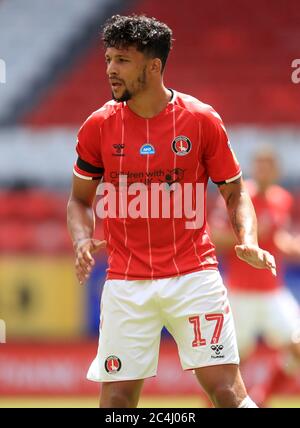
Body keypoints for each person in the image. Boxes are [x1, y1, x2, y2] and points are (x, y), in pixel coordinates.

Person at [67, 14, 276, 408]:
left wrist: (247, 240)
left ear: (154, 65)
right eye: (108, 59)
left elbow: (235, 192)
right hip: (126, 282)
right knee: (116, 401)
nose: (111, 69)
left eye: (122, 61)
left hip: (193, 276)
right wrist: (81, 238)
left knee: (228, 393)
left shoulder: (201, 120)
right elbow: (79, 199)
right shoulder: (97, 126)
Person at [210, 148, 300, 405]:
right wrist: (251, 236)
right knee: (231, 366)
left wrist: (292, 246)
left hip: (273, 292)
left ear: (277, 170)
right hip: (241, 295)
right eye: (259, 164)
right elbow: (216, 237)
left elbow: (277, 239)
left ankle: (262, 396)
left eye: (268, 164)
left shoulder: (281, 199)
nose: (263, 169)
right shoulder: (238, 196)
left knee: (297, 346)